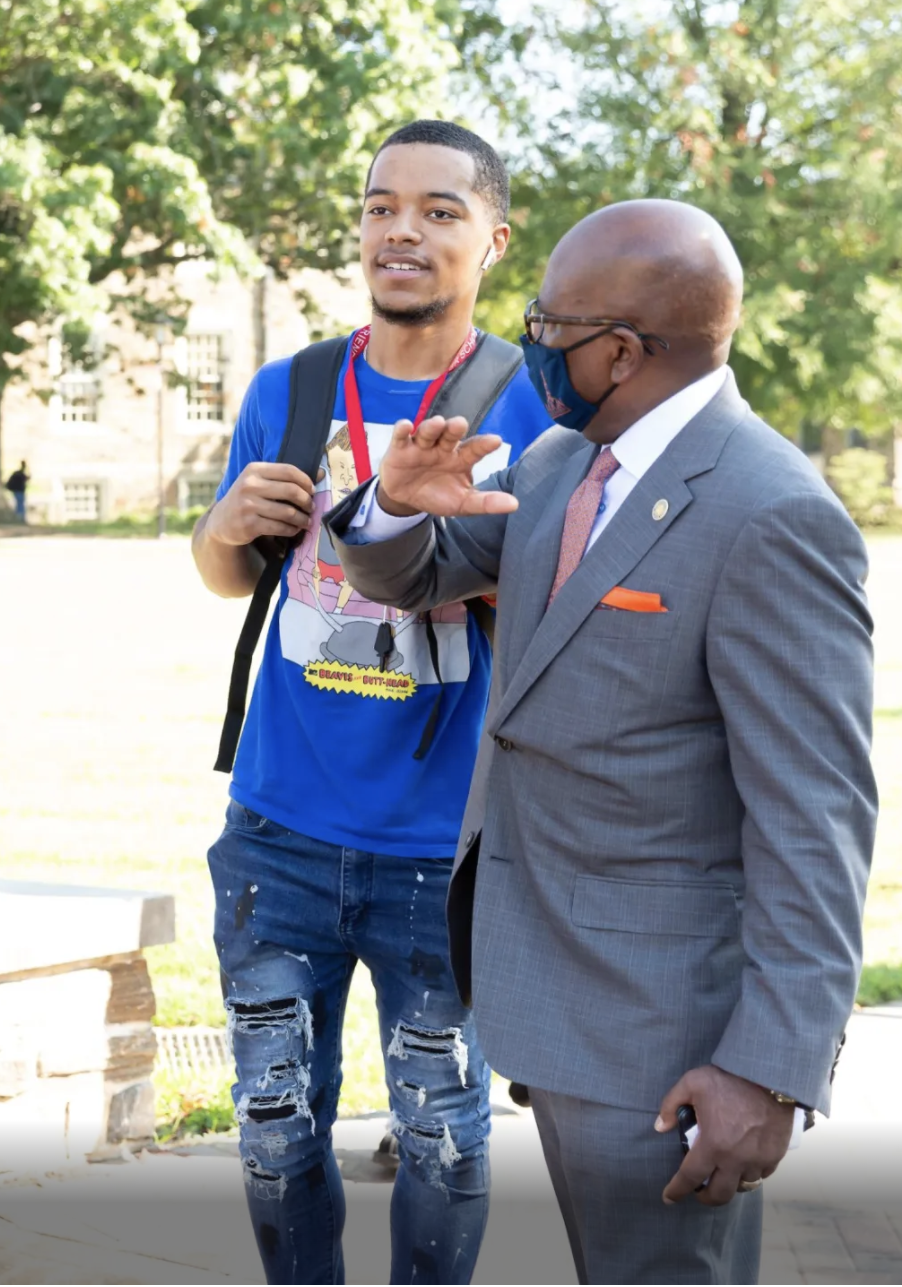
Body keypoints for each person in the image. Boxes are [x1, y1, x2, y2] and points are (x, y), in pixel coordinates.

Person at [331, 199, 876, 1285]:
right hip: (549, 992)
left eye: (547, 327)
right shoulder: (559, 464)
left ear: (620, 352)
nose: (527, 342)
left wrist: (767, 1072)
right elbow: (420, 577)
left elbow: (815, 824)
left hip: (667, 1035)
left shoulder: (771, 515)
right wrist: (393, 509)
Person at [190, 120, 552, 1285]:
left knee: (444, 1136)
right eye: (379, 205)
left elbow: (552, 606)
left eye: (439, 212)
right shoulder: (289, 387)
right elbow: (227, 574)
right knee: (271, 1129)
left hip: (440, 850)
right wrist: (219, 529)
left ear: (493, 239)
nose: (401, 230)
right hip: (277, 833)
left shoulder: (531, 404)